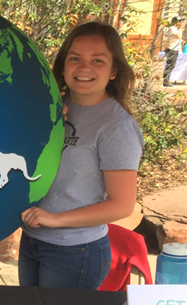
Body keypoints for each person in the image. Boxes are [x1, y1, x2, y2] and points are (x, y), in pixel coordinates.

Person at [19, 22, 144, 290]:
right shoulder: (52, 107)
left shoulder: (116, 126)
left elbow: (122, 205)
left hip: (75, 251)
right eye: (75, 58)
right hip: (32, 238)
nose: (84, 67)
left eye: (97, 60)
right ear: (63, 66)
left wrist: (55, 219)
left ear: (113, 71)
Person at [162, 16, 183, 87]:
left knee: (172, 65)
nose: (180, 23)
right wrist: (180, 28)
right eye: (179, 21)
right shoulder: (172, 28)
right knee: (170, 65)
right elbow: (179, 36)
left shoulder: (176, 29)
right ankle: (165, 81)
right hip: (171, 49)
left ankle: (167, 80)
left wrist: (180, 28)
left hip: (175, 49)